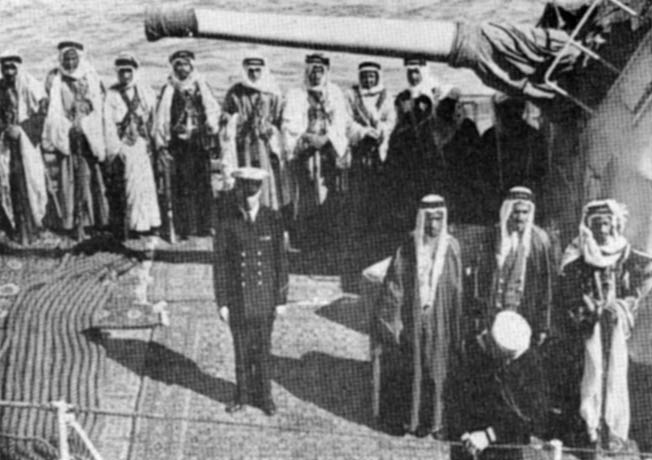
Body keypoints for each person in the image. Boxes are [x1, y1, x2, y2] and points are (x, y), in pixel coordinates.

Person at [559, 199, 652, 449]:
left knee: (615, 373)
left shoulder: (624, 251)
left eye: (606, 224)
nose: (602, 229)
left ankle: (613, 430)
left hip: (614, 326)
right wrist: (588, 307)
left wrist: (624, 305)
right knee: (587, 373)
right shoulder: (577, 253)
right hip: (586, 327)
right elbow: (568, 288)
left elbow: (644, 277)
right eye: (596, 224)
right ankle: (586, 428)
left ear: (615, 225)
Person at [375, 194, 463, 439]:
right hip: (413, 317)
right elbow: (395, 284)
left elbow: (457, 290)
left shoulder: (452, 247)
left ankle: (435, 421)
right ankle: (411, 420)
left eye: (438, 219)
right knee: (412, 369)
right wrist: (393, 320)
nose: (433, 225)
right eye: (429, 219)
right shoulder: (408, 246)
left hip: (440, 318)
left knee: (437, 370)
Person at [213, 167, 289, 416]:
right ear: (239, 189)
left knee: (263, 350)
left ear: (261, 190)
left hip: (265, 297)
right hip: (238, 299)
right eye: (245, 188)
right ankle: (242, 395)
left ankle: (265, 397)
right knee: (241, 350)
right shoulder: (227, 221)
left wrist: (281, 299)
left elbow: (281, 261)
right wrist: (222, 301)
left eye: (254, 189)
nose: (249, 194)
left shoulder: (273, 219)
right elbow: (221, 264)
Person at [452, 310, 550, 460]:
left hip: (504, 448)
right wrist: (462, 433)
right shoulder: (468, 352)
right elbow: (454, 398)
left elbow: (530, 416)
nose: (508, 363)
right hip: (467, 445)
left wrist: (489, 435)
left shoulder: (529, 363)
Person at [42, 40, 109, 241]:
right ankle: (75, 223)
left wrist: (86, 123)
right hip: (68, 134)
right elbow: (54, 109)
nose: (70, 63)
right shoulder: (55, 79)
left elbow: (98, 103)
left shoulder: (90, 75)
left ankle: (98, 221)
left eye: (73, 58)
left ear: (80, 58)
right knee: (70, 179)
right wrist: (67, 126)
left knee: (92, 177)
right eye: (66, 59)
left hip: (88, 134)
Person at [281, 53, 349, 245]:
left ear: (326, 72)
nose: (316, 74)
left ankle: (327, 236)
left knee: (328, 191)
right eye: (313, 70)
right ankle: (305, 237)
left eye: (320, 70)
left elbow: (341, 122)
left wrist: (328, 138)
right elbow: (288, 124)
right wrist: (306, 137)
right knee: (306, 193)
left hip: (328, 151)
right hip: (305, 151)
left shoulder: (334, 93)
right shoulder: (296, 94)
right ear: (307, 71)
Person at [152, 50, 220, 240]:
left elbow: (213, 109)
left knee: (203, 183)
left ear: (191, 66)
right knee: (181, 185)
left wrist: (211, 126)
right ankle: (184, 228)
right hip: (179, 145)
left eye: (185, 64)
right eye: (178, 65)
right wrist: (162, 144)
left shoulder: (201, 85)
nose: (182, 68)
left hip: (199, 143)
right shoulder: (169, 89)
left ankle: (205, 226)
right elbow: (162, 118)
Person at [474, 186, 553, 343]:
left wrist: (543, 326)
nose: (520, 217)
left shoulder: (539, 241)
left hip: (524, 316)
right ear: (508, 211)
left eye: (525, 212)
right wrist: (478, 322)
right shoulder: (493, 237)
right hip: (493, 315)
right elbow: (480, 280)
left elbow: (546, 286)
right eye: (516, 212)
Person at [220, 54, 287, 213]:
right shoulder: (235, 92)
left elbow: (281, 120)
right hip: (243, 145)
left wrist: (271, 128)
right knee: (243, 177)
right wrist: (230, 119)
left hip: (265, 144)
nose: (254, 74)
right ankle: (243, 214)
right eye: (251, 70)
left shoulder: (272, 92)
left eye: (258, 70)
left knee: (266, 179)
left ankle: (268, 213)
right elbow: (225, 115)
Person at [103, 52, 161, 238]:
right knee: (129, 186)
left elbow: (155, 118)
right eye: (122, 72)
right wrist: (115, 148)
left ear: (134, 71)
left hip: (142, 143)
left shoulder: (145, 91)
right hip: (122, 144)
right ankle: (133, 226)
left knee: (146, 185)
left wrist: (152, 141)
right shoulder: (111, 94)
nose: (125, 76)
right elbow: (107, 123)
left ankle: (149, 223)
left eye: (128, 71)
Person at [386, 56, 440, 230]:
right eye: (410, 72)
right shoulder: (403, 96)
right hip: (405, 150)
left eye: (416, 72)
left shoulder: (434, 93)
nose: (413, 76)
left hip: (427, 149)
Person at [0, 51, 48, 245]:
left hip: (27, 141)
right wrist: (5, 129)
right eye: (5, 67)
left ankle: (34, 227)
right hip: (6, 143)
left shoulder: (30, 86)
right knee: (9, 184)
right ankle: (16, 228)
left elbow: (43, 111)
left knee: (31, 182)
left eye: (13, 67)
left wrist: (22, 128)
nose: (9, 71)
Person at [478, 93, 547, 222]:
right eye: (507, 109)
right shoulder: (490, 137)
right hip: (497, 202)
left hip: (527, 201)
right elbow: (483, 173)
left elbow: (541, 172)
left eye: (516, 107)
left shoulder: (534, 136)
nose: (512, 113)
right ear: (500, 111)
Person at [345, 61, 395, 231]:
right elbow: (347, 121)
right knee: (358, 190)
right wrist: (363, 132)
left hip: (379, 149)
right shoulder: (352, 95)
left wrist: (381, 130)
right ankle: (359, 227)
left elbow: (391, 120)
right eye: (365, 76)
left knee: (379, 189)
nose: (368, 80)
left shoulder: (386, 96)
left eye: (372, 76)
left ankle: (378, 227)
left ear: (377, 76)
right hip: (360, 149)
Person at [431, 85, 483, 224]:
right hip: (449, 179)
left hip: (464, 179)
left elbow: (477, 153)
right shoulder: (437, 127)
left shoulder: (467, 126)